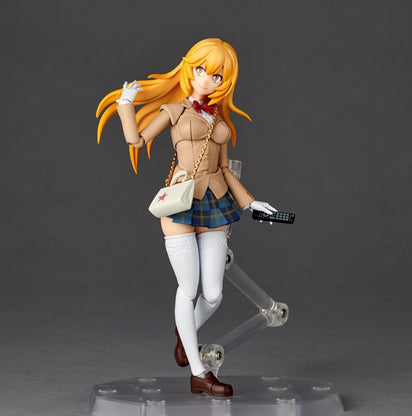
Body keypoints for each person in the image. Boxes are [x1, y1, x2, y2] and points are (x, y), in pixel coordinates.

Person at [96, 38, 277, 396]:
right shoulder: (174, 110)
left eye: (217, 75)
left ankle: (185, 332)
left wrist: (250, 203)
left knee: (214, 295)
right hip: (181, 201)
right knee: (188, 288)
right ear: (189, 69)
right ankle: (198, 373)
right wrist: (125, 105)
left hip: (216, 203)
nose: (207, 79)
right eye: (201, 70)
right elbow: (136, 140)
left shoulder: (219, 120)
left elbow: (224, 169)